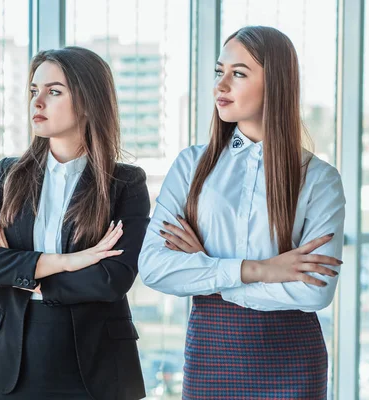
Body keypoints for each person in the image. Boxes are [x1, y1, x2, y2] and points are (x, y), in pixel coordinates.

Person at [139, 26, 345, 399]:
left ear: (277, 82)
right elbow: (154, 268)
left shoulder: (319, 179)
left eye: (239, 73)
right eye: (220, 72)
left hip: (293, 359)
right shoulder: (190, 166)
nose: (221, 85)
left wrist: (208, 270)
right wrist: (260, 270)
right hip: (211, 354)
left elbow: (314, 292)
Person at [0, 46, 149, 400]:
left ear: (89, 101)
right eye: (34, 91)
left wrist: (30, 278)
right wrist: (69, 262)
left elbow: (113, 278)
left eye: (54, 91)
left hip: (96, 364)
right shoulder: (8, 174)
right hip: (16, 357)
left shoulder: (125, 182)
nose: (37, 102)